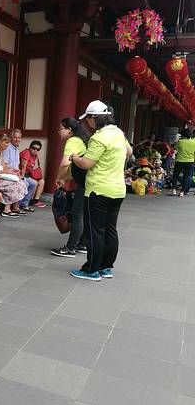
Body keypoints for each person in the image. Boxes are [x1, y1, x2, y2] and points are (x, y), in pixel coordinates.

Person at [68, 100, 132, 281]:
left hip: (98, 190)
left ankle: (92, 270)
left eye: (88, 119)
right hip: (118, 190)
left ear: (95, 117)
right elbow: (129, 152)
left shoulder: (99, 137)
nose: (87, 123)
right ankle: (106, 267)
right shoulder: (119, 133)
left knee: (95, 230)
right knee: (110, 230)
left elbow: (87, 163)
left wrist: (75, 157)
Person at [51, 117, 92, 258]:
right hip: (90, 182)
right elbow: (75, 167)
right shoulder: (81, 140)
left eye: (60, 129)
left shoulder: (72, 141)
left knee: (77, 215)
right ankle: (82, 244)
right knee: (83, 214)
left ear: (69, 130)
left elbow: (65, 163)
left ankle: (70, 248)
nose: (58, 132)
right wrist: (65, 178)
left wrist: (59, 178)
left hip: (84, 184)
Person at [0, 133, 28, 217]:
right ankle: (6, 210)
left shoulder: (1, 152)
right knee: (13, 186)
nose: (7, 145)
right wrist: (4, 171)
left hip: (0, 176)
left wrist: (12, 171)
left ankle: (15, 207)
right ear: (0, 142)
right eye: (6, 143)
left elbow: (4, 167)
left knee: (21, 183)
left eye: (8, 143)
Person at [4, 129, 36, 212]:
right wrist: (16, 173)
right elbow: (5, 164)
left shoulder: (16, 148)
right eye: (15, 137)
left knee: (33, 183)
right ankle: (15, 206)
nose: (17, 139)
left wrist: (20, 173)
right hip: (9, 174)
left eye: (19, 138)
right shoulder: (8, 148)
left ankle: (24, 204)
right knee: (24, 183)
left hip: (17, 174)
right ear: (11, 138)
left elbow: (18, 164)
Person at [19, 140, 46, 208]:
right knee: (34, 182)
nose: (35, 150)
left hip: (28, 174)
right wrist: (22, 177)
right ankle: (28, 201)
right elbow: (23, 166)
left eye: (37, 149)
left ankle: (35, 200)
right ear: (30, 147)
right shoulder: (26, 153)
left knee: (41, 182)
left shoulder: (35, 155)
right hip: (21, 173)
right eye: (34, 148)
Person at [171, 128, 195, 197]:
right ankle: (182, 192)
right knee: (186, 177)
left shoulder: (180, 142)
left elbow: (175, 148)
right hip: (190, 162)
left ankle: (174, 190)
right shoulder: (194, 142)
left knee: (175, 175)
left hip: (179, 161)